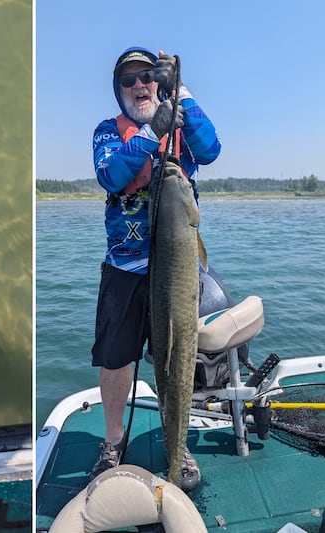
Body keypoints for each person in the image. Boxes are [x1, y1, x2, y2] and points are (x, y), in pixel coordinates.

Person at [90, 47, 221, 483]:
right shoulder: (108, 132)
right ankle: (113, 443)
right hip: (124, 271)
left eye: (147, 76)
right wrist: (149, 133)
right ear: (119, 91)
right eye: (128, 80)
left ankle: (178, 448)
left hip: (178, 269)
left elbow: (212, 149)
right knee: (115, 360)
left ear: (158, 82)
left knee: (178, 355)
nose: (139, 85)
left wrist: (181, 92)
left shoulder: (179, 122)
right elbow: (110, 175)